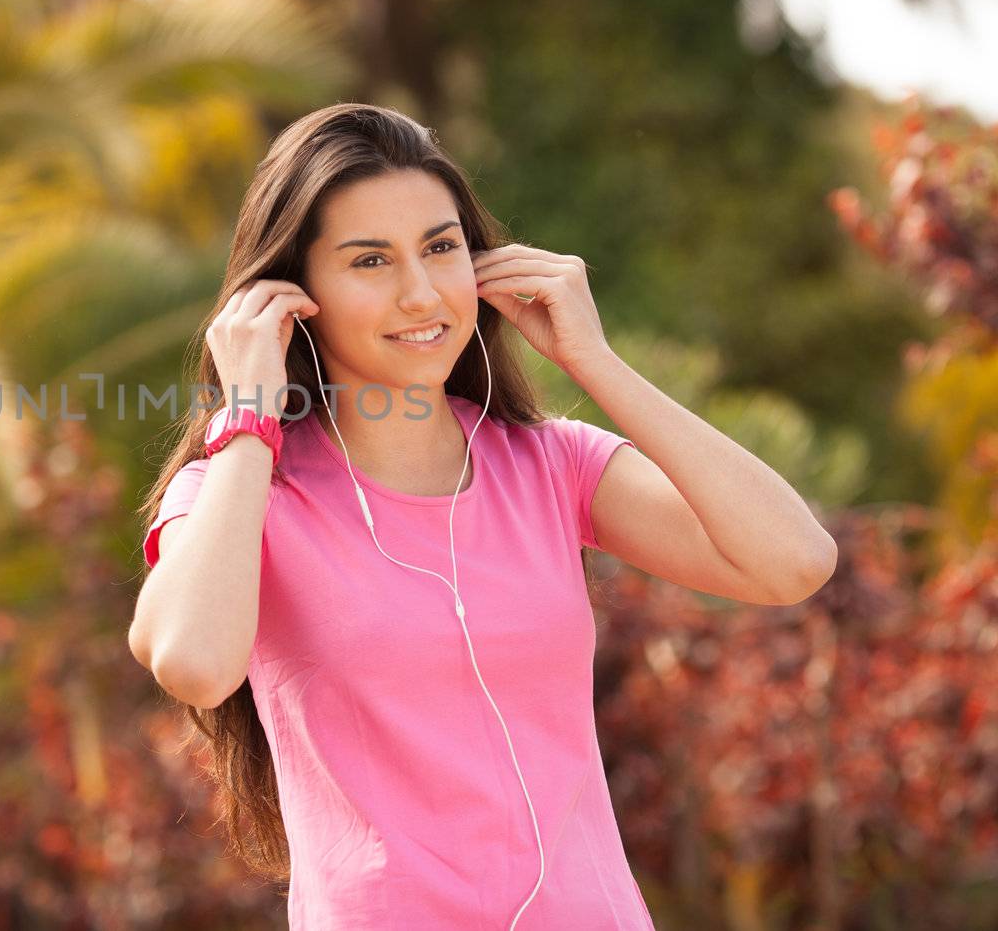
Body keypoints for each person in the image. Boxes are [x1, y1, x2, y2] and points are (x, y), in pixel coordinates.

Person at [126, 103, 836, 929]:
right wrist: (249, 415)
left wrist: (593, 362)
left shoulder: (551, 464)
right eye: (369, 261)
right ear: (292, 296)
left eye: (440, 246)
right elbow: (193, 663)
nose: (420, 292)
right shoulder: (238, 493)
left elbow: (794, 561)